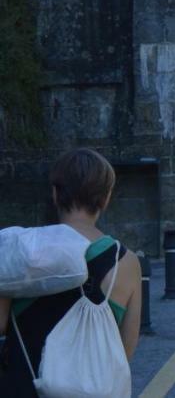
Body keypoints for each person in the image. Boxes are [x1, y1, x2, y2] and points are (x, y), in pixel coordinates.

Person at [0, 148, 143, 396]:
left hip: (23, 386)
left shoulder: (23, 251)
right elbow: (125, 349)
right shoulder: (127, 263)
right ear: (106, 198)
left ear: (55, 194)